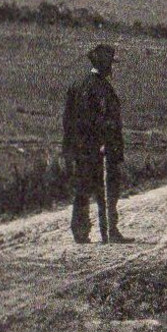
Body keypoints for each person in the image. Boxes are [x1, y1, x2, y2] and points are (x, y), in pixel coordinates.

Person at [62, 43, 127, 244]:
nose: (112, 68)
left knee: (84, 188)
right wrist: (104, 142)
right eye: (110, 64)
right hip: (100, 148)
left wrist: (70, 148)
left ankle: (81, 232)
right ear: (106, 65)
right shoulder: (99, 88)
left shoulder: (79, 84)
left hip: (82, 148)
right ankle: (109, 231)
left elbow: (67, 121)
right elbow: (97, 120)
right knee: (106, 190)